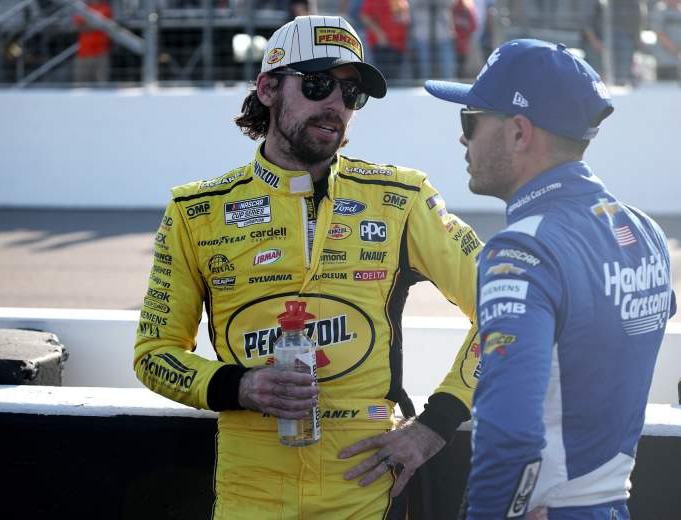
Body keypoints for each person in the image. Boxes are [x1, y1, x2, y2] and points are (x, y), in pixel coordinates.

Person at [133, 15, 483, 519]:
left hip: (365, 487)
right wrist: (240, 386)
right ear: (268, 87)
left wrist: (434, 426)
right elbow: (154, 354)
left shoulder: (401, 199)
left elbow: (509, 309)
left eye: (351, 93)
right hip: (249, 490)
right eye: (319, 84)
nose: (336, 105)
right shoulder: (196, 211)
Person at [425, 39, 677, 518]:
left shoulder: (520, 250)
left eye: (470, 120)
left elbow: (510, 432)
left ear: (519, 133)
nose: (463, 139)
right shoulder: (646, 231)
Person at [360, 0, 410, 80]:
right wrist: (379, 34)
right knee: (383, 76)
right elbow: (365, 16)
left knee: (396, 77)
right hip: (381, 45)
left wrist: (403, 13)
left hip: (399, 45)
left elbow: (405, 18)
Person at [650, 0, 681, 81]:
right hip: (664, 60)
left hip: (680, 62)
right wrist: (674, 49)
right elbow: (659, 33)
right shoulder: (660, 9)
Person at [72, 0, 111, 84]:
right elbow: (78, 26)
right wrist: (94, 25)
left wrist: (87, 24)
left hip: (101, 52)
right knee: (80, 84)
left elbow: (104, 25)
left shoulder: (105, 8)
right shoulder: (82, 7)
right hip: (83, 53)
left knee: (101, 83)